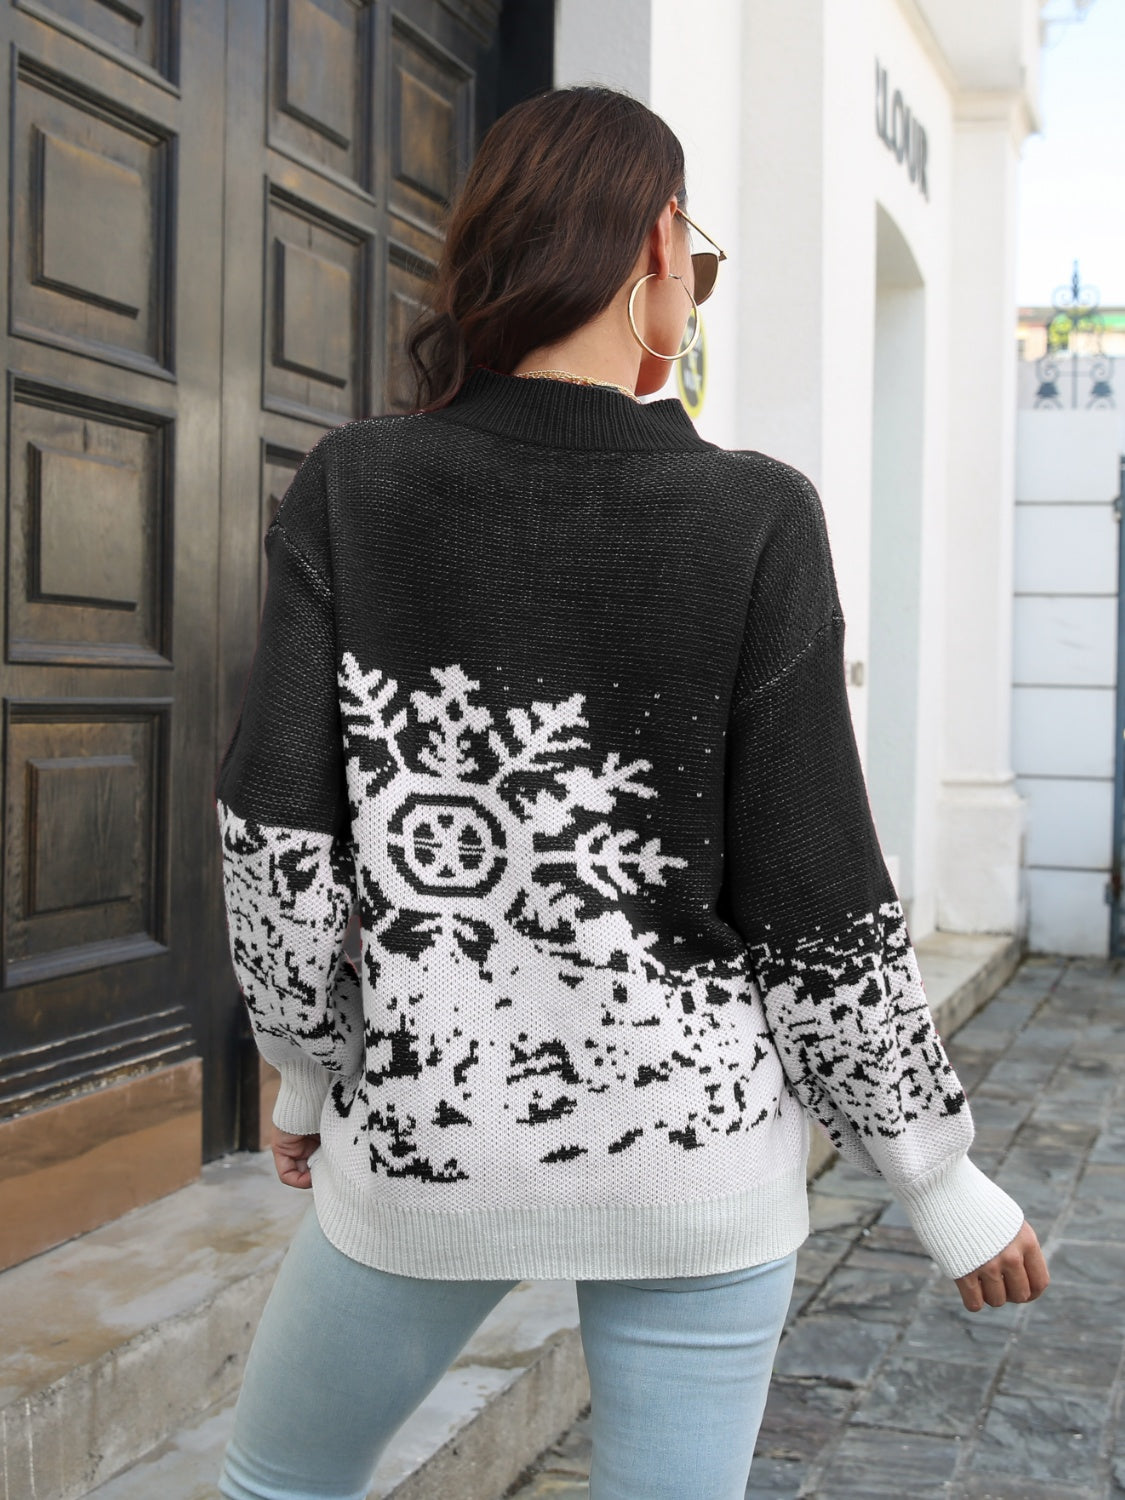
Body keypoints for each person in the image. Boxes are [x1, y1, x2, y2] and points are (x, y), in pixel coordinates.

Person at [213, 84, 1048, 1500]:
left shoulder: (359, 486)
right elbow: (816, 887)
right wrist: (934, 1175)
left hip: (429, 1144)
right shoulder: (756, 514)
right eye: (697, 264)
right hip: (695, 1161)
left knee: (278, 1485)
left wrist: (302, 1072)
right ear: (656, 242)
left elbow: (278, 838)